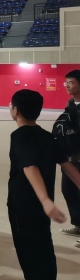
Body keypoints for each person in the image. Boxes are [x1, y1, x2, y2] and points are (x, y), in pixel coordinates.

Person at [7, 89, 80, 280]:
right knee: (43, 249)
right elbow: (67, 165)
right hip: (41, 208)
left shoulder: (19, 136)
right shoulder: (46, 136)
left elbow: (30, 166)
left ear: (16, 111)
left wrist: (46, 201)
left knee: (28, 252)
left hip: (23, 205)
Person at [57, 70, 80, 240]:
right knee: (68, 190)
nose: (67, 86)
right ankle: (78, 225)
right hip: (70, 158)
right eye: (66, 82)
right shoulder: (71, 104)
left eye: (71, 82)